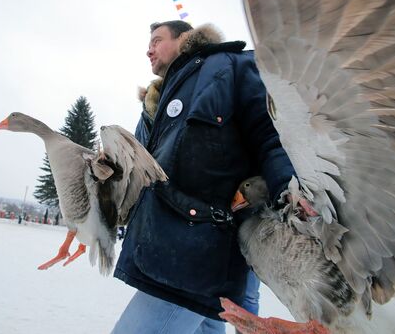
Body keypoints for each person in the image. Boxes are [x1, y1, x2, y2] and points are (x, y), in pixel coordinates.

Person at [112, 21, 294, 333]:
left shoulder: (231, 66)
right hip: (163, 247)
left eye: (157, 40)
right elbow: (140, 165)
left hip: (199, 252)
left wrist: (290, 195)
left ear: (184, 38)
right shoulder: (158, 100)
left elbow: (271, 137)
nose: (148, 49)